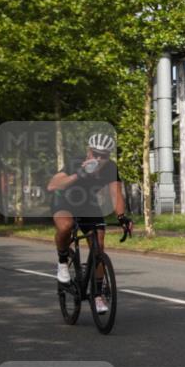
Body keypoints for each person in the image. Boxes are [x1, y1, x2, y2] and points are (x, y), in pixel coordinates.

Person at [47, 133, 133, 313]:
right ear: (88, 152)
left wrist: (122, 217)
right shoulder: (76, 162)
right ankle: (62, 262)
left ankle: (97, 295)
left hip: (88, 204)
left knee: (98, 246)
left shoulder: (110, 168)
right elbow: (53, 186)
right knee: (66, 226)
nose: (99, 159)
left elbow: (115, 194)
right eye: (96, 154)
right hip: (64, 200)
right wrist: (79, 174)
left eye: (104, 155)